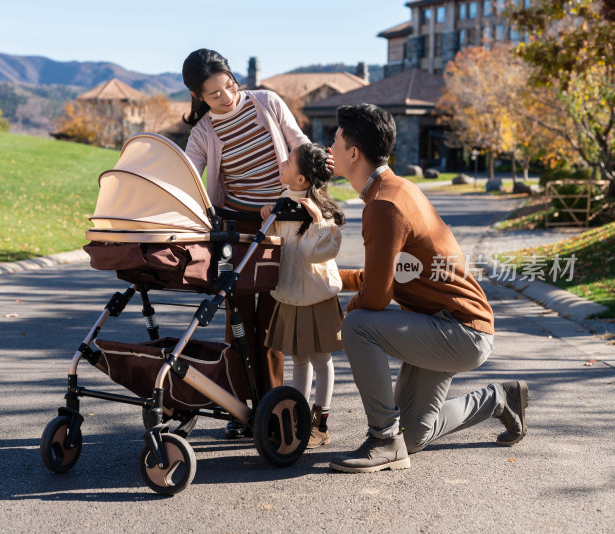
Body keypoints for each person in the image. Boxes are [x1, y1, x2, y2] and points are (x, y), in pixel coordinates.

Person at [328, 103, 528, 473]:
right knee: (413, 436)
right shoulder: (393, 190)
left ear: (353, 153)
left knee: (357, 325)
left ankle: (383, 438)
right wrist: (332, 279)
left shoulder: (385, 204)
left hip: (460, 331)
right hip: (441, 324)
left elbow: (375, 297)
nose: (329, 149)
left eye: (335, 140)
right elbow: (388, 275)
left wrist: (343, 311)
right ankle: (499, 398)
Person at [182, 48, 310, 438]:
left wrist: (309, 180)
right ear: (198, 97)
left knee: (269, 321)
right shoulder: (203, 132)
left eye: (230, 85)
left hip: (279, 223)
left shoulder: (267, 102)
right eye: (215, 94)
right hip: (232, 230)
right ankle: (239, 408)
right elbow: (188, 180)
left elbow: (300, 146)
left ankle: (271, 412)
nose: (227, 97)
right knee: (236, 320)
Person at [260, 143, 345, 449]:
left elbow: (313, 254)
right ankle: (297, 417)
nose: (282, 162)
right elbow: (274, 247)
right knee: (298, 359)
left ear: (301, 180)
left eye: (289, 160)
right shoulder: (283, 201)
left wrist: (317, 222)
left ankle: (320, 423)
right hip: (292, 293)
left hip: (317, 295)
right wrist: (267, 216)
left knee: (321, 359)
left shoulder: (321, 211)